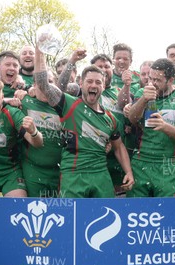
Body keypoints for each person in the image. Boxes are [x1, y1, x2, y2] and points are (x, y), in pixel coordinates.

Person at [34, 44, 134, 198]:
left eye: (98, 82)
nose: (94, 85)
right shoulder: (68, 103)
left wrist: (128, 172)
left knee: (106, 215)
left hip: (101, 174)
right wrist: (40, 50)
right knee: (71, 218)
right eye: (90, 82)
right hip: (73, 174)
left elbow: (119, 146)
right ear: (81, 84)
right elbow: (43, 84)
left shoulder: (110, 119)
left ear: (103, 86)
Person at [127, 58, 175, 197]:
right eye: (150, 78)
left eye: (157, 80)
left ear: (170, 80)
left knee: (170, 211)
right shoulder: (141, 93)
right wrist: (144, 99)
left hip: (168, 163)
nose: (152, 83)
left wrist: (164, 127)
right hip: (141, 160)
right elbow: (132, 119)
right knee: (137, 211)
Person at [20, 70, 63, 197]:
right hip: (33, 170)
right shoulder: (24, 101)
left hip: (59, 171)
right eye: (41, 83)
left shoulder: (64, 107)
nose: (46, 87)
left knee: (58, 210)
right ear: (33, 85)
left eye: (49, 82)